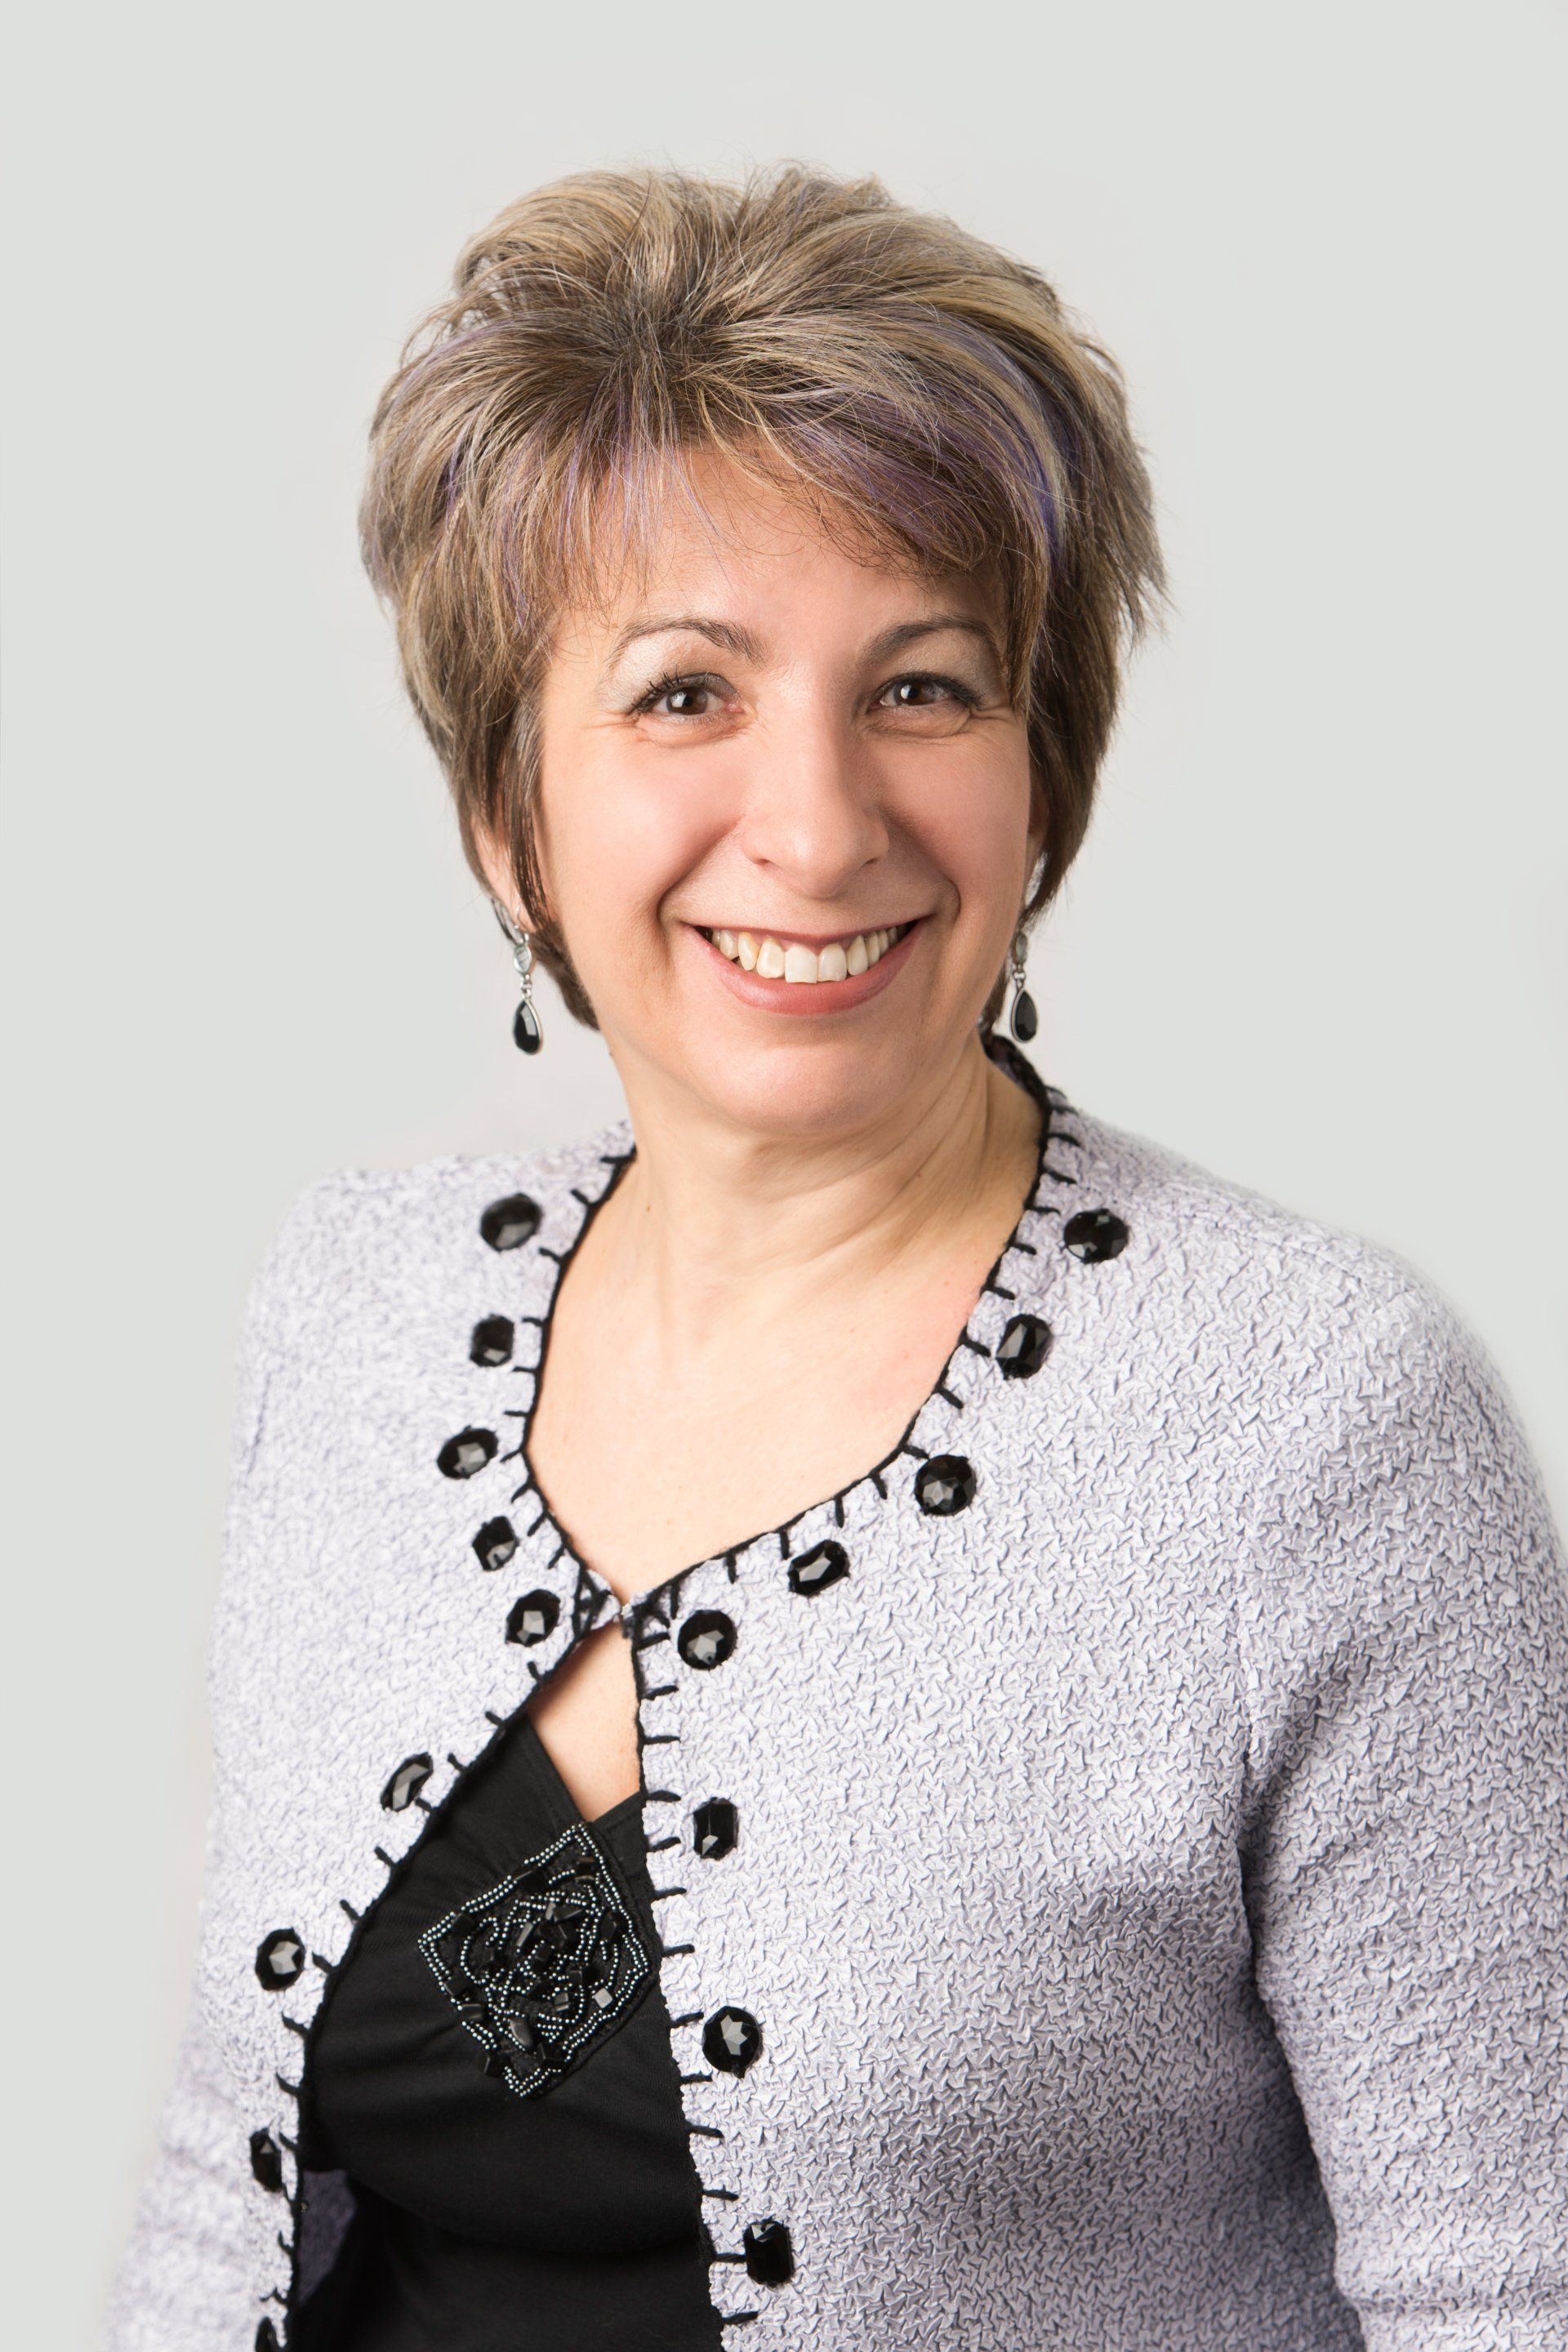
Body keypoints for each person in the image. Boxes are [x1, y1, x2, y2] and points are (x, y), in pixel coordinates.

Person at [105, 162, 1568, 2352]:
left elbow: (1509, 2285)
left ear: (1041, 778)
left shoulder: (1318, 1421)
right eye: (685, 694)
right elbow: (214, 2201)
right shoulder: (360, 1313)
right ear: (510, 816)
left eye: (925, 690)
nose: (816, 826)